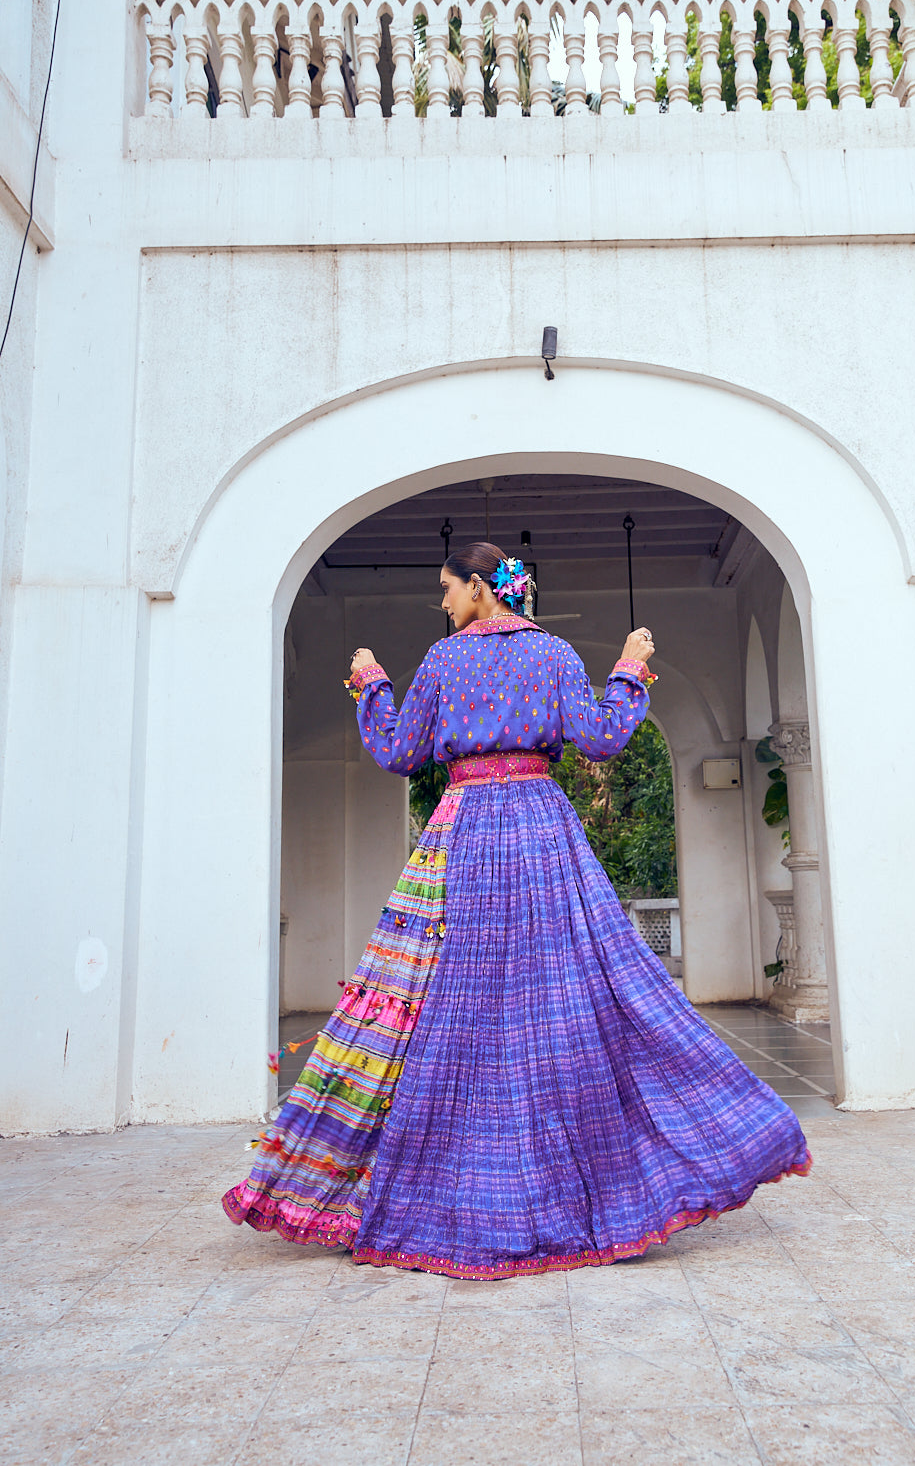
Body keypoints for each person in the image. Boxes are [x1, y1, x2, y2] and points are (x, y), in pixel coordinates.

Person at [223, 542, 810, 1279]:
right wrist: (630, 665)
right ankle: (630, 1176)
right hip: (541, 833)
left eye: (447, 589)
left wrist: (369, 679)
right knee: (573, 1003)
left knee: (453, 1010)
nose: (442, 602)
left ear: (479, 587)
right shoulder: (558, 654)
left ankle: (459, 1193)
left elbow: (400, 752)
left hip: (463, 835)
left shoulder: (441, 664)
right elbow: (600, 739)